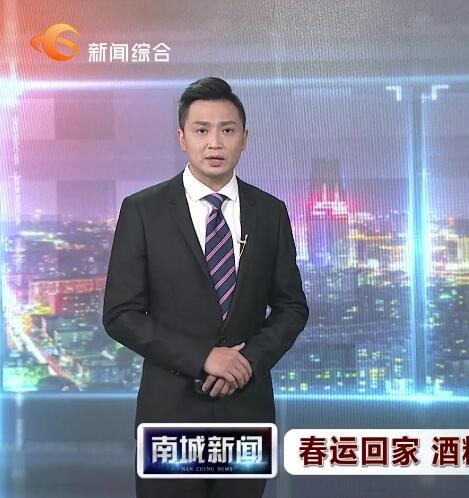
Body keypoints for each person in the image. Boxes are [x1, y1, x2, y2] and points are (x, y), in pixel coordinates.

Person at [103, 76, 309, 498]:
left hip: (246, 410)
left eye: (227, 130)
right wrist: (203, 358)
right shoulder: (143, 210)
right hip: (169, 412)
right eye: (201, 130)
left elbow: (292, 307)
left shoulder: (270, 212)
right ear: (182, 137)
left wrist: (246, 362)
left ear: (245, 138)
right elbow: (121, 315)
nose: (215, 142)